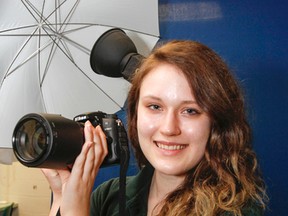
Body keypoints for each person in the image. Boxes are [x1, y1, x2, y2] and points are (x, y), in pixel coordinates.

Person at [42, 40, 268, 216]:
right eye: (155, 106)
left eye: (190, 111)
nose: (169, 128)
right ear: (136, 114)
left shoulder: (236, 210)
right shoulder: (109, 196)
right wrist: (62, 195)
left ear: (217, 123)